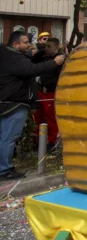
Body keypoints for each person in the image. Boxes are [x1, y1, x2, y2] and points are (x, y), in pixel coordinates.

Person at [0, 31, 65, 179]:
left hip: (8, 102)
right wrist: (54, 63)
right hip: (14, 104)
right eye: (25, 42)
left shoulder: (6, 54)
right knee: (8, 138)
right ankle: (4, 170)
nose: (29, 45)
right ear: (16, 44)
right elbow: (32, 69)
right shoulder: (14, 58)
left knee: (5, 137)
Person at [30, 38, 63, 149]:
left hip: (51, 92)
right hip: (40, 91)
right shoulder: (43, 57)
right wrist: (41, 51)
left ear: (56, 47)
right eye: (45, 46)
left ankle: (51, 141)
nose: (46, 48)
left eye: (49, 46)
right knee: (37, 116)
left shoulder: (60, 60)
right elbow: (33, 61)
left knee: (50, 117)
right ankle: (36, 140)